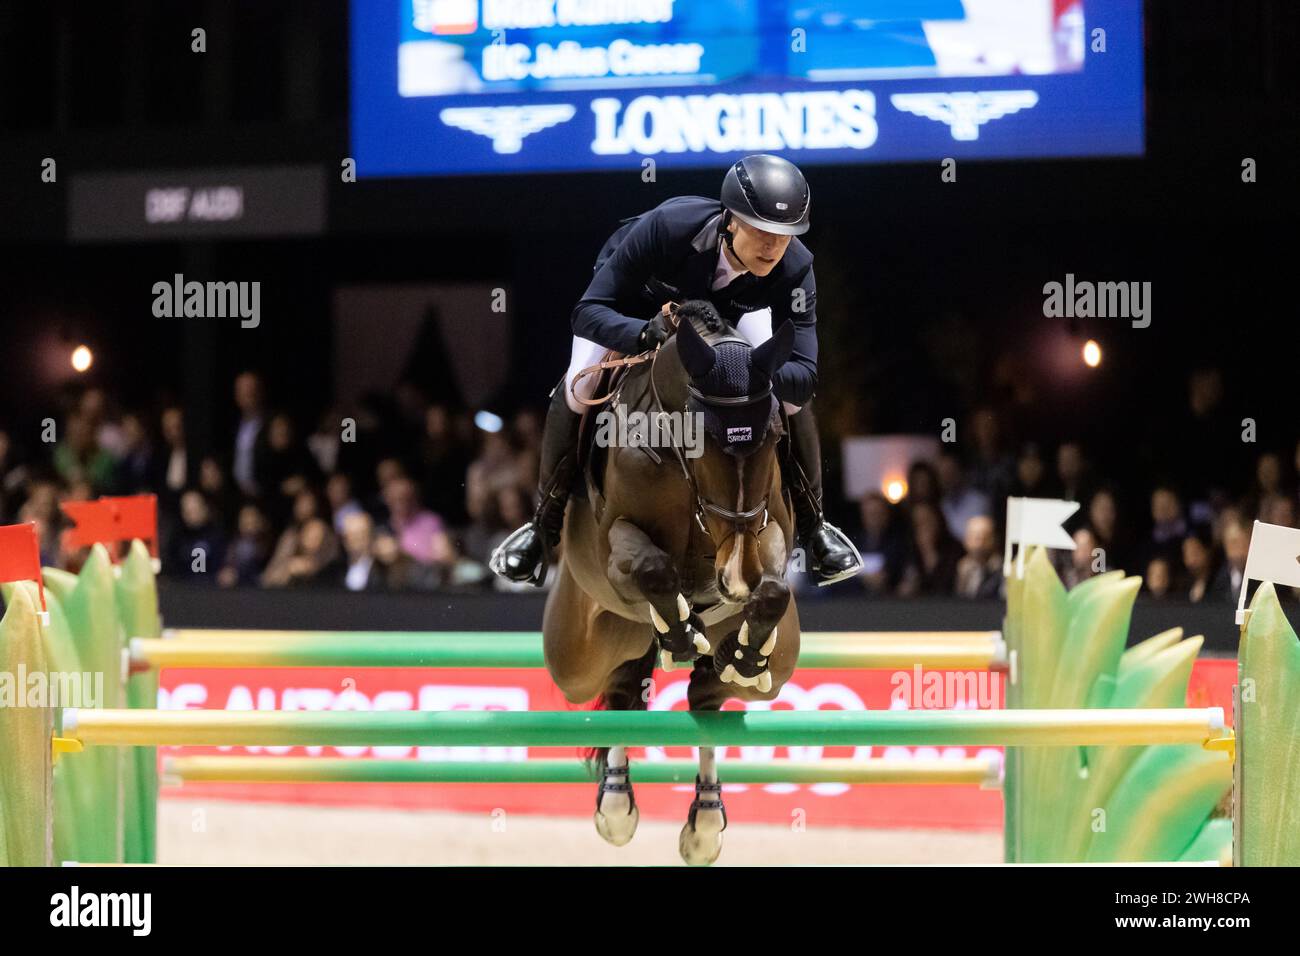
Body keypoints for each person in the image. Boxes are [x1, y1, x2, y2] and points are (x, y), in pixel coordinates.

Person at [490, 154, 861, 587]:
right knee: (578, 384)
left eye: (784, 235)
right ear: (731, 220)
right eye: (761, 231)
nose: (773, 247)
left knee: (793, 402)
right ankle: (542, 527)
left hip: (730, 319)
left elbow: (805, 375)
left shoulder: (795, 268)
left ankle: (817, 530)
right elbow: (588, 312)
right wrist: (647, 334)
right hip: (634, 308)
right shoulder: (668, 227)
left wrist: (753, 371)